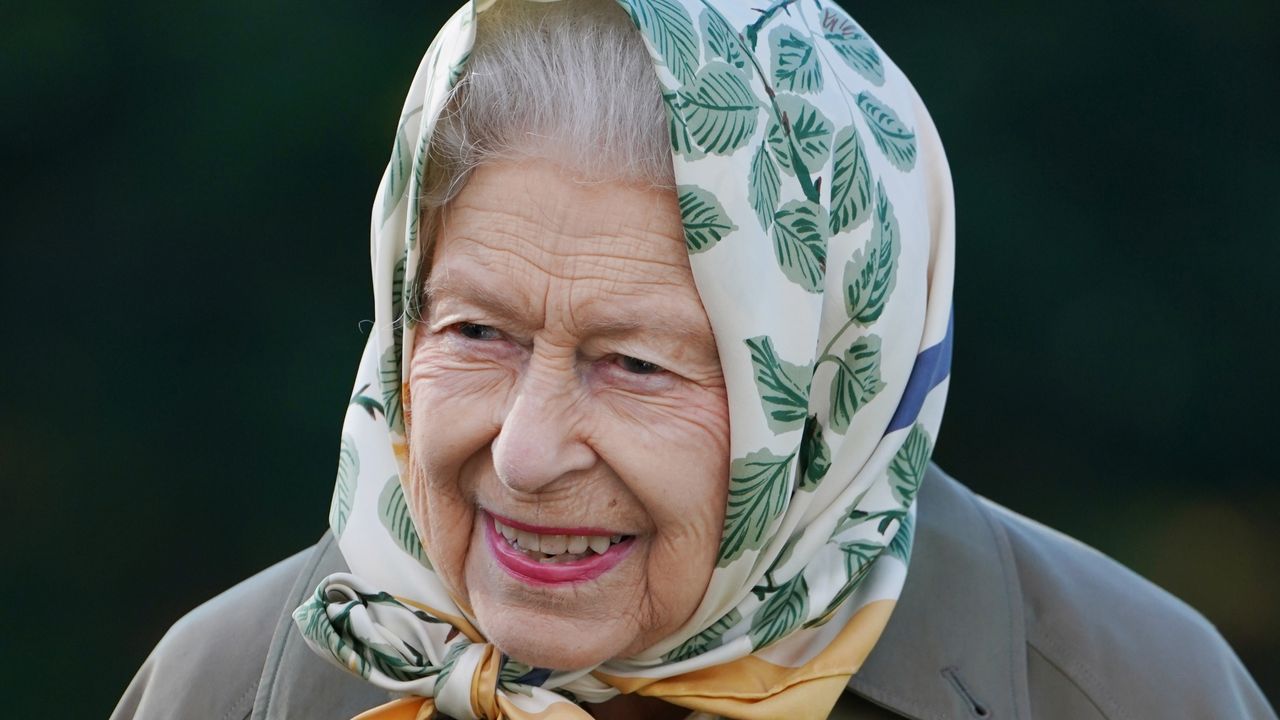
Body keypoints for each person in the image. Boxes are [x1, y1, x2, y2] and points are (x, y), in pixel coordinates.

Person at [111, 1, 1277, 718]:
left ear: (831, 386)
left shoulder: (1127, 692)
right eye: (474, 333)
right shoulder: (231, 687)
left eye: (633, 364)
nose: (521, 454)